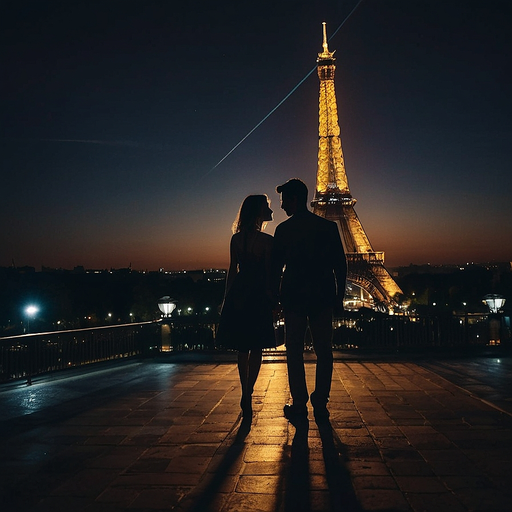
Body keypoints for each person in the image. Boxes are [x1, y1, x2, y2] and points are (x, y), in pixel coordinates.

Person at [272, 178, 347, 422]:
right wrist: (339, 296)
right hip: (322, 297)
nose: (282, 206)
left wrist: (275, 299)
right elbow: (340, 266)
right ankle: (320, 400)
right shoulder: (327, 228)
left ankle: (300, 402)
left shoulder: (283, 230)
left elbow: (275, 270)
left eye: (284, 201)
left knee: (293, 351)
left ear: (294, 199)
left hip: (293, 299)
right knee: (324, 350)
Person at [217, 194, 276, 420]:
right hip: (258, 294)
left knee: (243, 348)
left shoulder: (236, 239)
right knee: (257, 347)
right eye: (267, 207)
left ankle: (244, 391)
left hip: (240, 294)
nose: (270, 210)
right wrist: (273, 297)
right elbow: (271, 274)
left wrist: (226, 299)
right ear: (258, 212)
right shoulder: (267, 241)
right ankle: (249, 391)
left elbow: (233, 271)